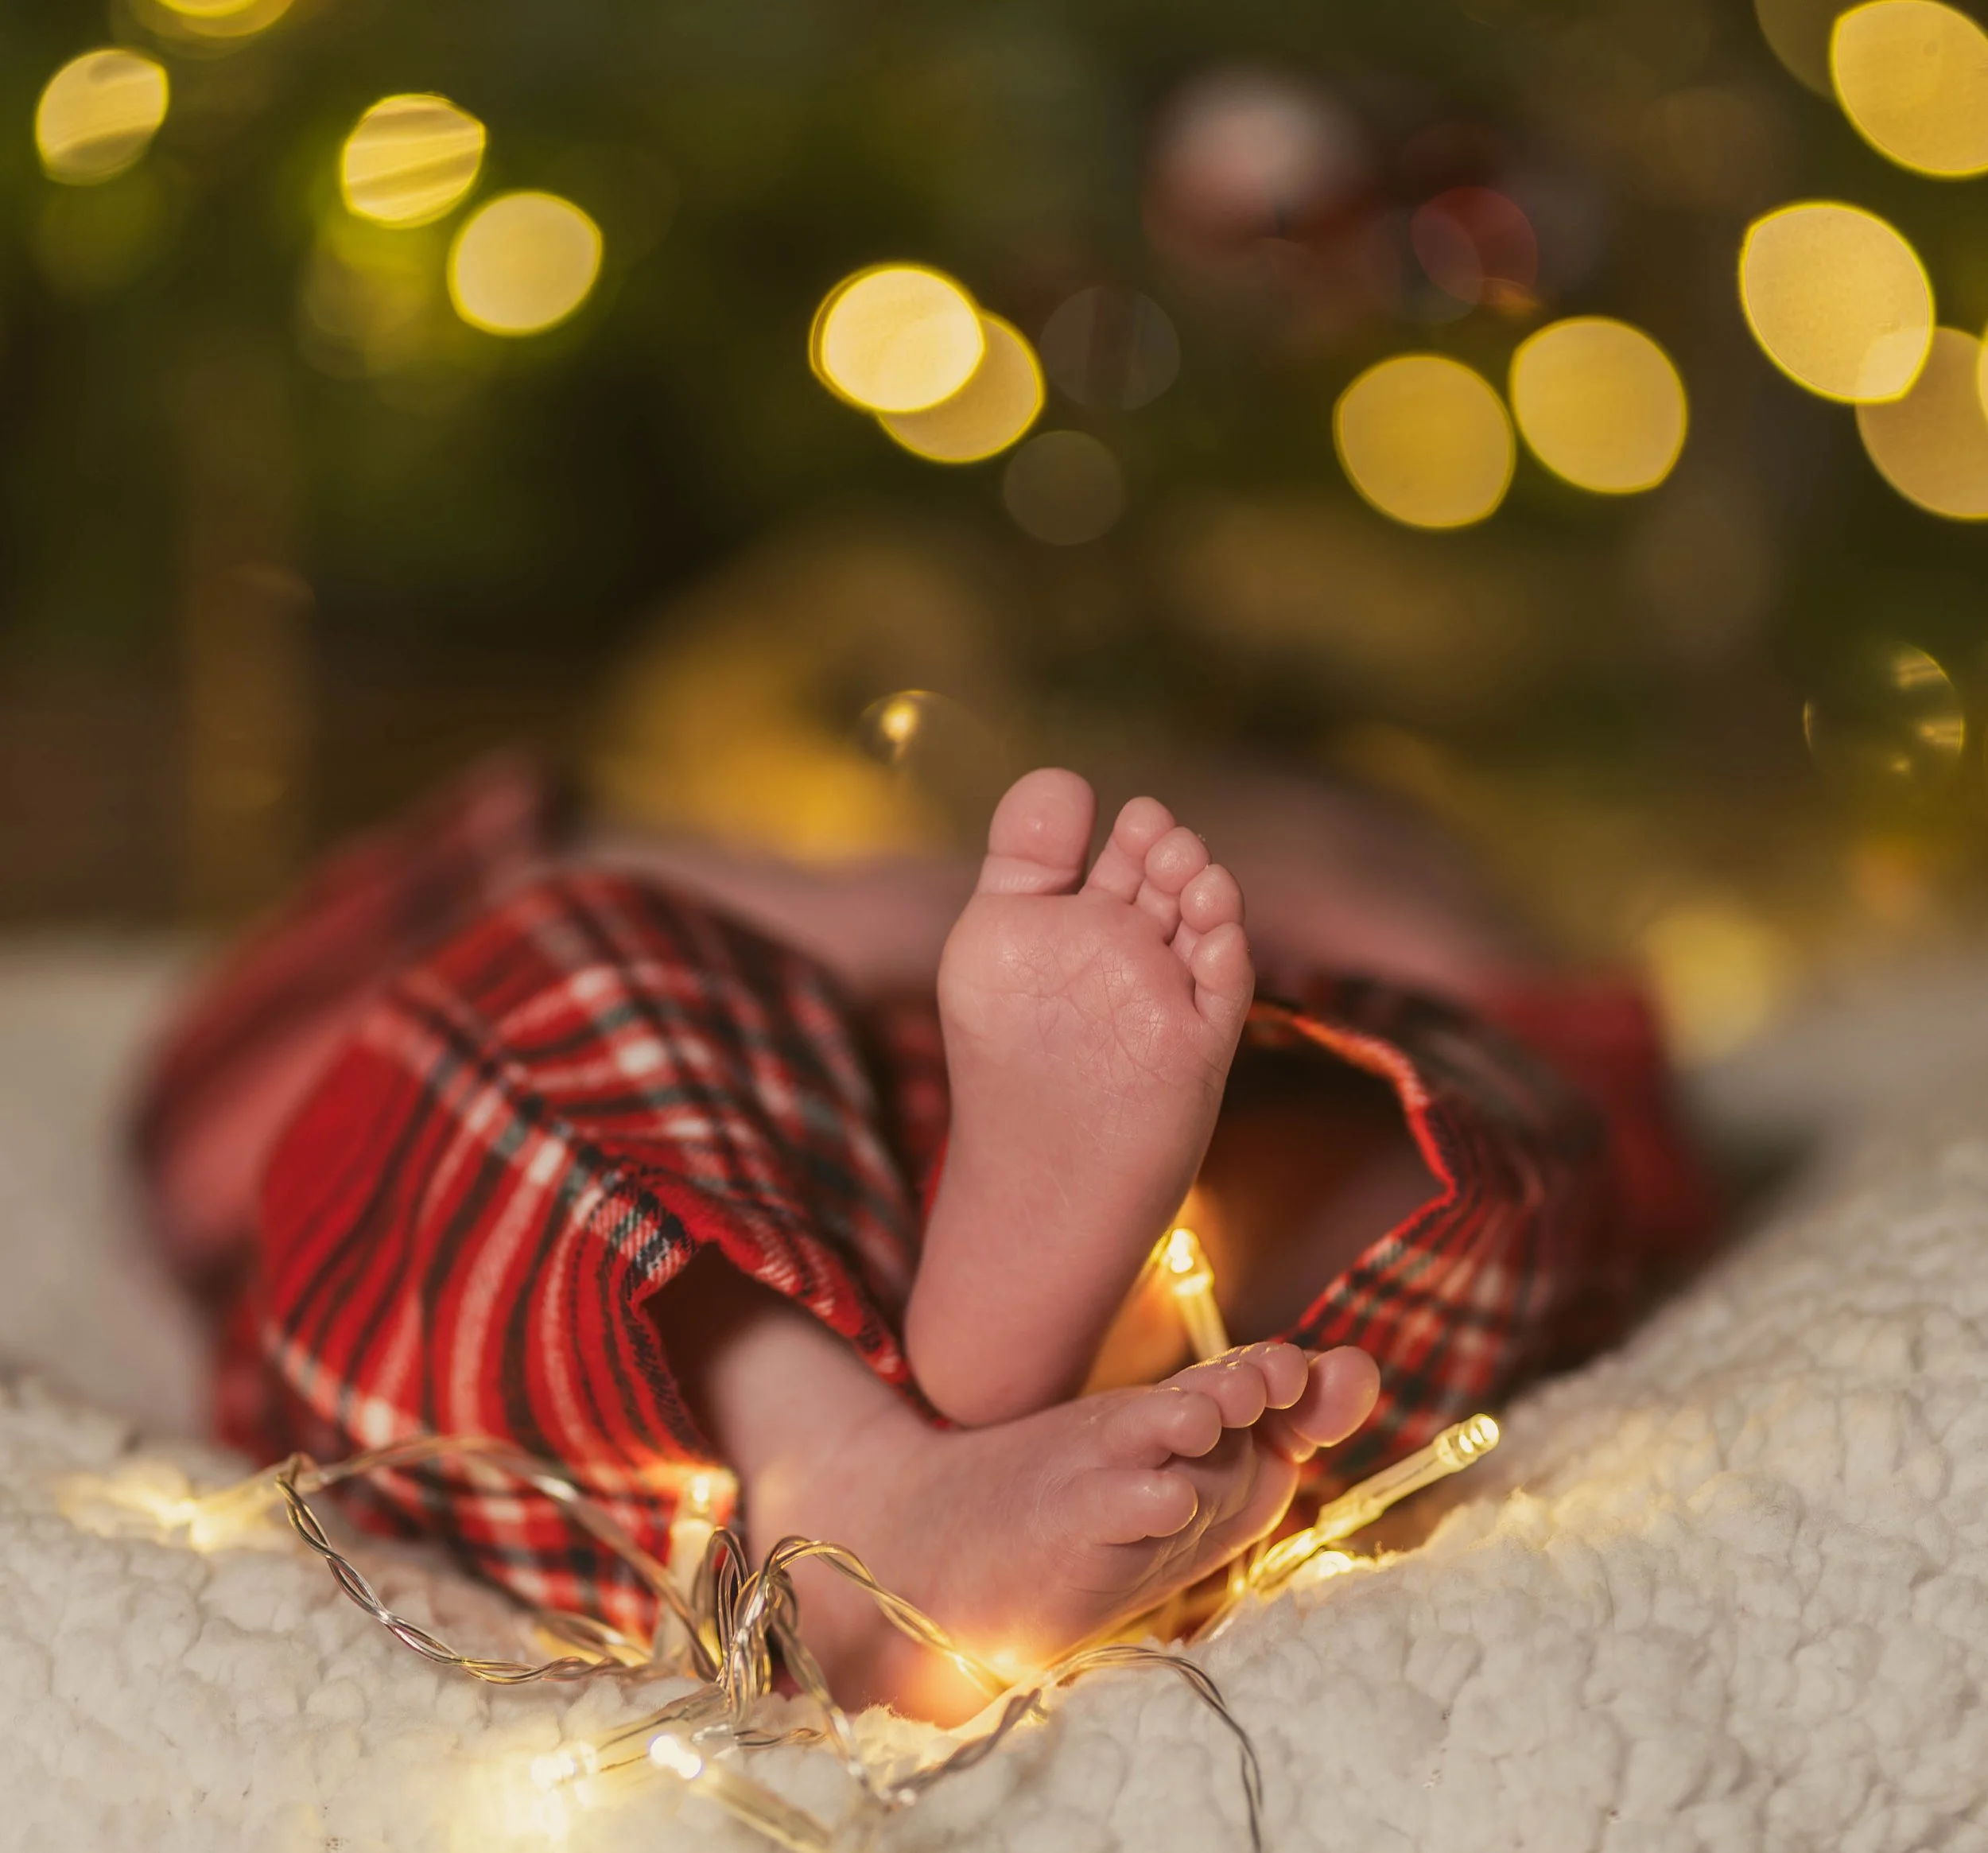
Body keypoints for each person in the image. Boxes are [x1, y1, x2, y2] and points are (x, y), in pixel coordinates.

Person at [133, 755, 1717, 1720]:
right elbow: (627, 907)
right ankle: (907, 1458)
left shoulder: (1154, 1012)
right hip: (560, 1312)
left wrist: (1362, 968)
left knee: (1458, 1133)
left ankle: (980, 1424)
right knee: (553, 1021)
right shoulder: (401, 1029)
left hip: (1002, 1244)